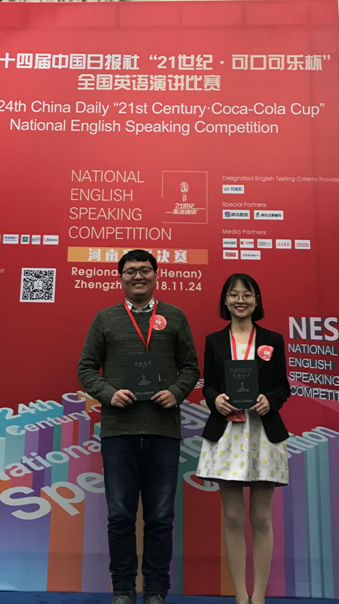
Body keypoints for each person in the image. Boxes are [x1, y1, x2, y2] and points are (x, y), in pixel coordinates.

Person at [78, 249, 200, 604]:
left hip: (163, 430)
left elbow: (190, 367)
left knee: (161, 517)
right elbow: (86, 367)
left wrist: (176, 392)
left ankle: (157, 590)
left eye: (145, 270)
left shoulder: (175, 316)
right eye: (130, 271)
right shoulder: (105, 318)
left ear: (156, 275)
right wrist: (109, 394)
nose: (138, 276)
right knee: (120, 516)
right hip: (119, 432)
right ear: (121, 277)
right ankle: (123, 590)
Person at [197, 273, 290, 604]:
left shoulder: (273, 339)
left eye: (247, 294)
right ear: (225, 300)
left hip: (263, 433)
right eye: (234, 294)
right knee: (234, 518)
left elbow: (282, 386)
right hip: (227, 434)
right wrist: (215, 399)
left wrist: (270, 400)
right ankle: (240, 595)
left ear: (256, 300)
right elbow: (208, 384)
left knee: (261, 518)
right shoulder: (213, 340)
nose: (240, 300)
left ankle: (259, 596)